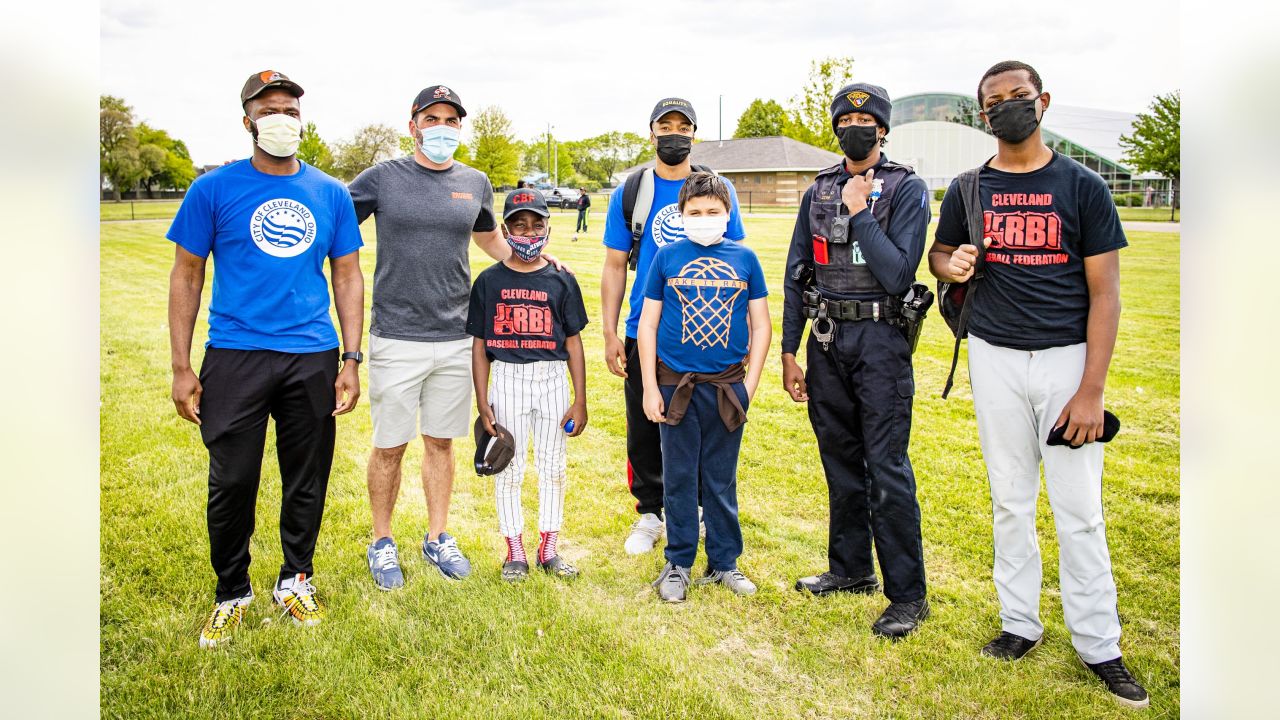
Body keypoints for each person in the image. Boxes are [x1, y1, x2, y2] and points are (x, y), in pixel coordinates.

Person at [927, 60, 1148, 709]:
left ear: (1042, 101)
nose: (1005, 107)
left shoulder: (1081, 186)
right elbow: (940, 256)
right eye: (993, 102)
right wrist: (952, 260)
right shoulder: (969, 187)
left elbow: (1106, 293)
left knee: (1079, 511)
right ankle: (1019, 622)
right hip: (993, 355)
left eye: (1017, 97)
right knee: (1010, 500)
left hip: (1065, 361)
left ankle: (1099, 642)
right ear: (981, 115)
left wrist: (1091, 389)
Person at [167, 70, 364, 648]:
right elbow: (187, 274)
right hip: (235, 354)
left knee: (307, 477)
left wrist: (350, 359)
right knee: (232, 480)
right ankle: (232, 591)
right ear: (248, 119)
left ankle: (295, 580)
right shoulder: (213, 190)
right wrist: (182, 367)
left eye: (291, 110)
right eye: (270, 109)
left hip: (311, 354)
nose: (282, 118)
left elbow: (347, 275)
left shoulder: (329, 192)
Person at [781, 83, 932, 639]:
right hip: (826, 341)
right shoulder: (817, 190)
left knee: (886, 467)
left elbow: (898, 272)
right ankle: (850, 571)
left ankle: (907, 594)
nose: (856, 125)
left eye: (866, 119)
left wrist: (860, 210)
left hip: (880, 342)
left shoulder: (907, 189)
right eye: (846, 117)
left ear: (884, 130)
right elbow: (799, 274)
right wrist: (789, 350)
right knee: (840, 460)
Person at [349, 85, 511, 587]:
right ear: (413, 124)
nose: (442, 127)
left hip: (456, 335)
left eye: (451, 120)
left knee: (441, 442)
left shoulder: (475, 181)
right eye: (432, 118)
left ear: (460, 127)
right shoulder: (381, 179)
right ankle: (382, 541)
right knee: (390, 445)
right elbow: (336, 228)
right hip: (397, 334)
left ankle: (437, 536)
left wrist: (533, 261)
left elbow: (489, 238)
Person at [601, 98, 746, 555]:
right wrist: (610, 331)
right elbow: (613, 265)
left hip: (705, 329)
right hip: (645, 329)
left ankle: (700, 511)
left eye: (684, 127)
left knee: (702, 424)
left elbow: (736, 261)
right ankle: (650, 513)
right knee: (646, 424)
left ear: (695, 135)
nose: (674, 133)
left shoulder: (716, 189)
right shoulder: (632, 192)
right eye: (666, 125)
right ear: (651, 133)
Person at [638, 172, 770, 603]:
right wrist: (649, 386)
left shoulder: (746, 259)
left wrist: (749, 383)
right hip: (676, 384)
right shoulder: (667, 258)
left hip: (727, 386)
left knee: (720, 478)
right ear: (682, 215)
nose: (704, 218)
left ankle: (725, 562)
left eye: (713, 212)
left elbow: (762, 324)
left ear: (728, 214)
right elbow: (649, 323)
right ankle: (678, 562)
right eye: (695, 212)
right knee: (677, 479)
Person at [467, 188, 589, 582]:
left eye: (537, 224)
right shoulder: (489, 281)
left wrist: (580, 399)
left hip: (552, 379)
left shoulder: (561, 279)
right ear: (505, 229)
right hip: (507, 380)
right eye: (519, 224)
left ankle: (548, 547)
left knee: (553, 467)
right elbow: (480, 345)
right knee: (509, 466)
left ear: (548, 228)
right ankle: (514, 550)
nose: (529, 232)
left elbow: (573, 342)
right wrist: (482, 400)